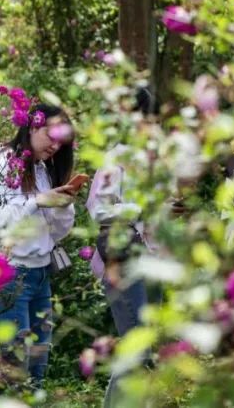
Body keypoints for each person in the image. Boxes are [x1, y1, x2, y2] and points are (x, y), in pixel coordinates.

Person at [0, 102, 78, 391]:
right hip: (10, 275)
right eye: (51, 135)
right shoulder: (3, 164)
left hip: (40, 276)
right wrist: (36, 202)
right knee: (15, 368)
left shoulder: (43, 171)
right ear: (33, 125)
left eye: (62, 141)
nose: (56, 146)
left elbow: (56, 233)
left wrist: (62, 206)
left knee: (37, 367)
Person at [85, 86, 170, 407]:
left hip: (151, 259)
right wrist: (140, 208)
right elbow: (99, 209)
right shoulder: (116, 158)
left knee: (142, 348)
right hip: (124, 260)